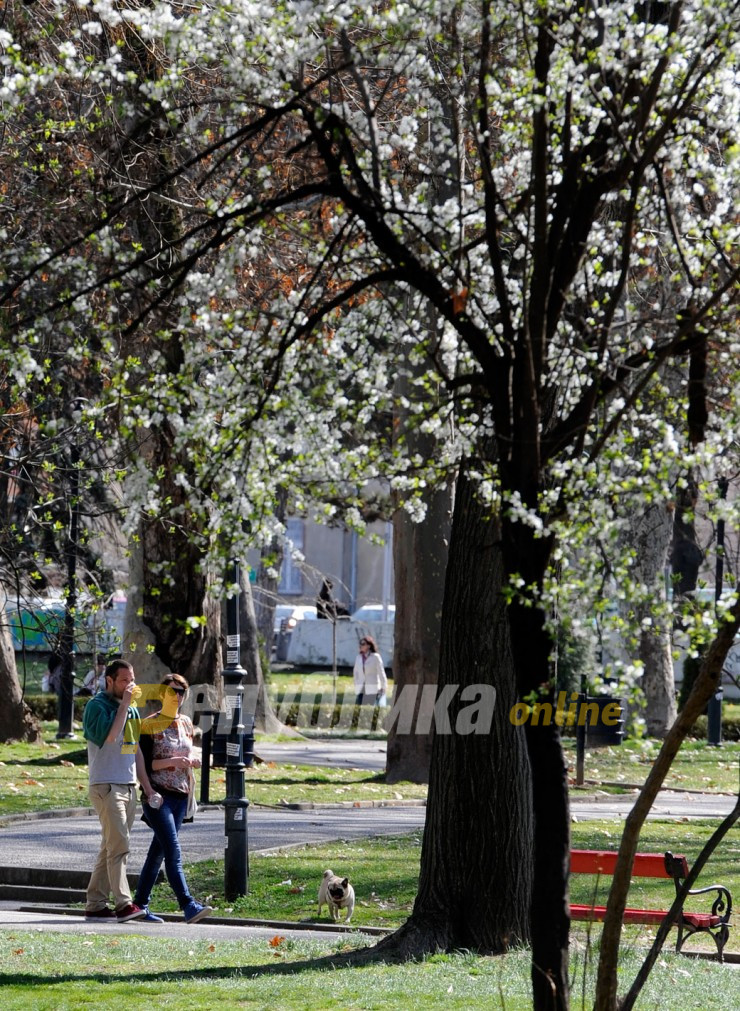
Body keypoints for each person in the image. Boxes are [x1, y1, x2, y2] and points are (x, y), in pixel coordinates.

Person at [133, 673, 213, 925]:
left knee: (158, 852)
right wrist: (172, 764)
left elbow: (187, 753)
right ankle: (188, 905)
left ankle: (139, 905)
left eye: (181, 692)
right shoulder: (148, 724)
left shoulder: (187, 723)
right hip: (157, 795)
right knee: (173, 851)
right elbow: (145, 764)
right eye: (171, 691)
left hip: (180, 796)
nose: (176, 696)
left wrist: (193, 762)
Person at [82, 659, 154, 923]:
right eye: (124, 680)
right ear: (109, 681)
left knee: (109, 846)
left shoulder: (132, 711)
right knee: (120, 845)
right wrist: (124, 704)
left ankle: (95, 903)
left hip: (128, 785)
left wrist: (146, 787)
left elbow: (133, 751)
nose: (130, 685)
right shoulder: (96, 707)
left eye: (132, 679)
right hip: (106, 785)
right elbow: (111, 737)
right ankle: (124, 904)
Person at [353, 635, 388, 706]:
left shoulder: (375, 657)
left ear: (369, 646)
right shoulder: (358, 658)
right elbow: (355, 672)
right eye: (360, 644)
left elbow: (381, 673)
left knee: (371, 708)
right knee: (359, 708)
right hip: (361, 688)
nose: (360, 646)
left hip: (373, 688)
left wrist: (383, 687)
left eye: (363, 644)